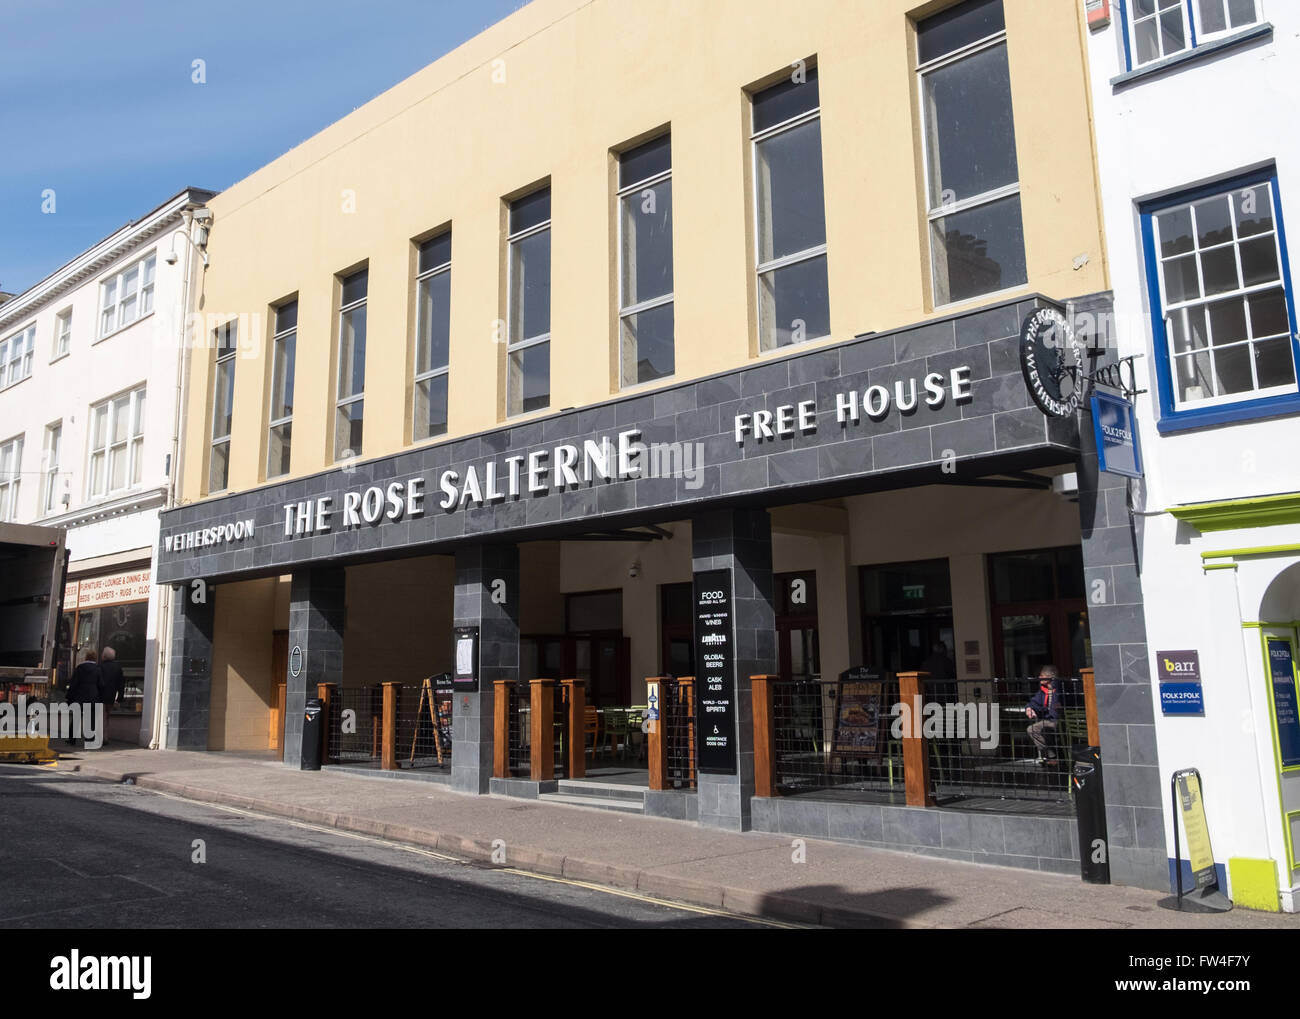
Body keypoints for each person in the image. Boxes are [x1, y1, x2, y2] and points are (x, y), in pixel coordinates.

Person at [1025, 665, 1061, 764]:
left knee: (1039, 729)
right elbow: (1033, 702)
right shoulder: (1043, 690)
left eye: (1042, 675)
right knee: (1034, 729)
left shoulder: (1060, 688)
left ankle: (1052, 756)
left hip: (1060, 720)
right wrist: (1029, 708)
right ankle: (1051, 755)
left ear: (1051, 677)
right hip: (1049, 721)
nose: (1039, 677)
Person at [66, 650, 102, 749]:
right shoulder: (98, 669)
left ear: (86, 657)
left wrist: (69, 696)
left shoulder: (79, 668)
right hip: (93, 696)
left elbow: (73, 684)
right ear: (95, 658)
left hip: (80, 696)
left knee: (76, 718)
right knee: (91, 719)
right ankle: (89, 740)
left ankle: (72, 739)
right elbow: (101, 684)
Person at [99, 646, 125, 738]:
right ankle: (105, 735)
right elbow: (121, 684)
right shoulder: (117, 668)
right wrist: (120, 697)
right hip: (111, 695)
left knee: (100, 716)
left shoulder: (100, 667)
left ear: (105, 656)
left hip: (100, 695)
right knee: (107, 716)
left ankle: (101, 735)